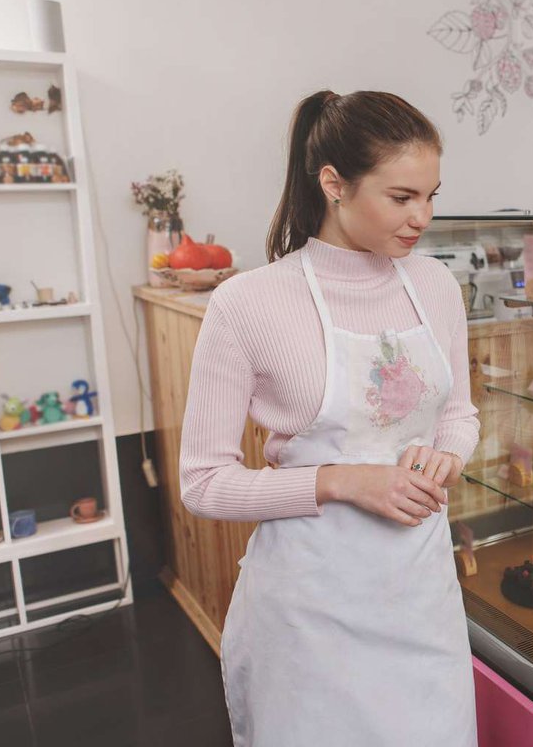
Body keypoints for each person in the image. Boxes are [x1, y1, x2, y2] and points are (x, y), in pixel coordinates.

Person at [179, 90, 479, 745]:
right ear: (333, 183)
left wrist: (448, 455)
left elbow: (459, 412)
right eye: (402, 197)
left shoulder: (434, 285)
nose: (423, 216)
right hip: (311, 614)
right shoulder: (248, 304)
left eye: (431, 195)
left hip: (421, 600)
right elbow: (203, 484)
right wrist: (342, 481)